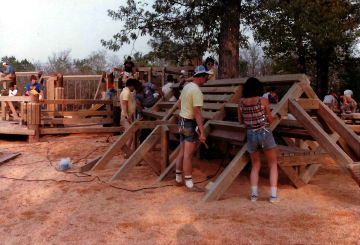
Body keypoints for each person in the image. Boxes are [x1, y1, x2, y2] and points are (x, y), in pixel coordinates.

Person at [237, 77, 280, 203]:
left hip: (251, 134)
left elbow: (240, 121)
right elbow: (270, 120)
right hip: (264, 132)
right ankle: (273, 196)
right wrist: (270, 117)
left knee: (255, 165)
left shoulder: (241, 102)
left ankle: (254, 196)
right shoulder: (264, 100)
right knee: (273, 165)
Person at [175, 65, 212, 192]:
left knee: (182, 152)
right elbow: (197, 113)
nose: (207, 78)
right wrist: (202, 131)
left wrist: (185, 113)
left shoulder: (187, 87)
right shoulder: (196, 91)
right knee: (188, 155)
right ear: (201, 76)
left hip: (181, 121)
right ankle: (189, 182)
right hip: (189, 123)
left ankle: (178, 179)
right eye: (206, 76)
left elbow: (178, 104)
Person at [120, 79, 136, 147]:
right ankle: (127, 152)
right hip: (127, 115)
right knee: (130, 134)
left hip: (127, 114)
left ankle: (126, 151)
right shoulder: (126, 92)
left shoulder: (125, 91)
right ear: (131, 85)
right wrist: (127, 115)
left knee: (127, 133)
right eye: (134, 86)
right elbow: (124, 103)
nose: (134, 88)